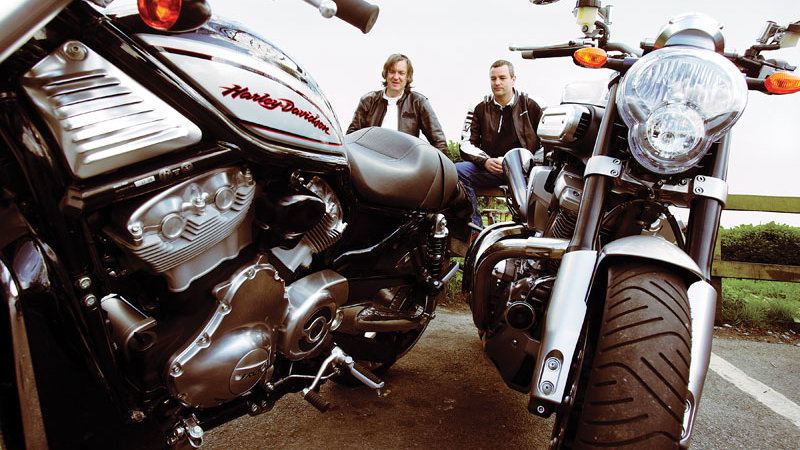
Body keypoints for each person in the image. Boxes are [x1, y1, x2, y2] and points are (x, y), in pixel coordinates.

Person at [457, 59, 543, 228]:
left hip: (526, 171)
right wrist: (485, 161)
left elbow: (547, 144)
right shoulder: (479, 106)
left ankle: (531, 231)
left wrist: (528, 163)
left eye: (502, 78)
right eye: (493, 78)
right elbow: (465, 143)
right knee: (457, 171)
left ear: (513, 79)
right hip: (492, 168)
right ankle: (475, 230)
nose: (497, 83)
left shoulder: (533, 104)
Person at [347, 53, 448, 153]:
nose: (396, 77)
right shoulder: (368, 100)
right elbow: (351, 136)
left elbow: (439, 142)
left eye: (401, 73)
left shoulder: (418, 102)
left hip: (404, 160)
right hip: (371, 158)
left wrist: (441, 162)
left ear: (408, 76)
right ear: (386, 74)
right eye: (392, 72)